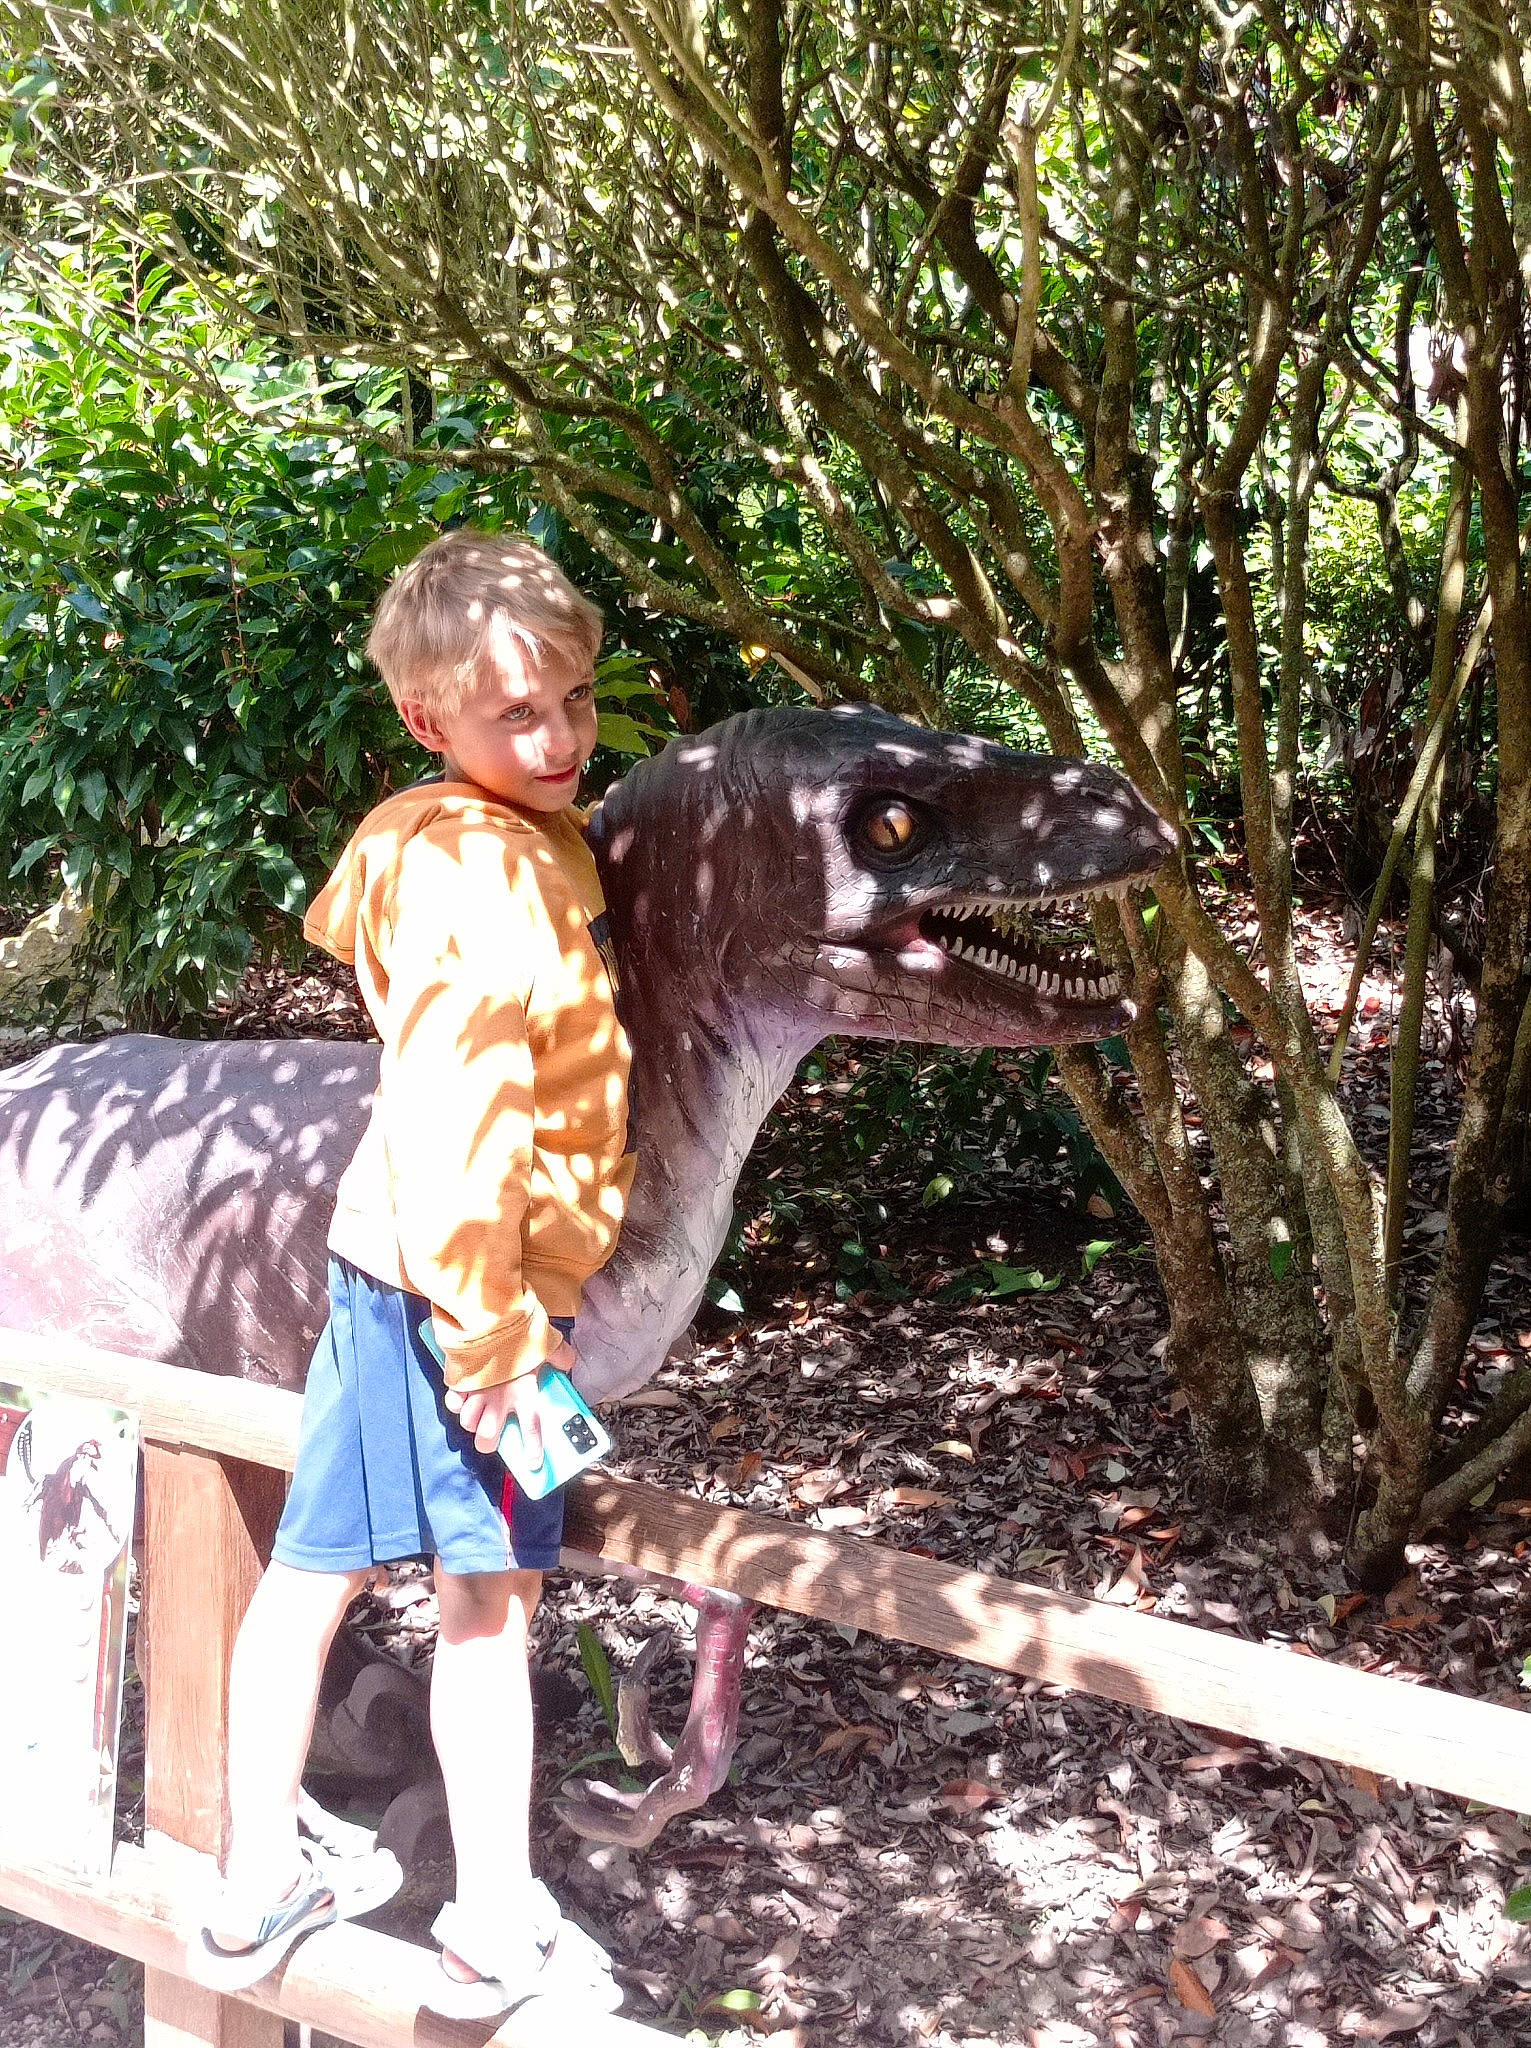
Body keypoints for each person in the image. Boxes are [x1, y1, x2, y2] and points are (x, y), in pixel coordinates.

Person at [186, 529, 634, 2017]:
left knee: (310, 1574)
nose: (560, 736)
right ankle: (496, 1916)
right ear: (428, 722)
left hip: (385, 1276)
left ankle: (255, 1877)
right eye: (518, 715)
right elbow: (458, 1128)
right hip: (465, 1296)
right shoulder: (482, 888)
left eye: (572, 697)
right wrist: (499, 1343)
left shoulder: (447, 839)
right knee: (487, 1599)